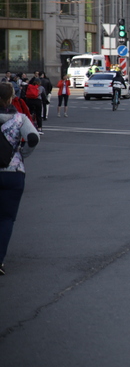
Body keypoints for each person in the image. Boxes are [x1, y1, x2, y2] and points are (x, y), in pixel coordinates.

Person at [0, 82, 40, 275]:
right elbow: (33, 138)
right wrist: (23, 154)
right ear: (10, 98)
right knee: (6, 219)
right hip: (13, 172)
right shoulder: (20, 118)